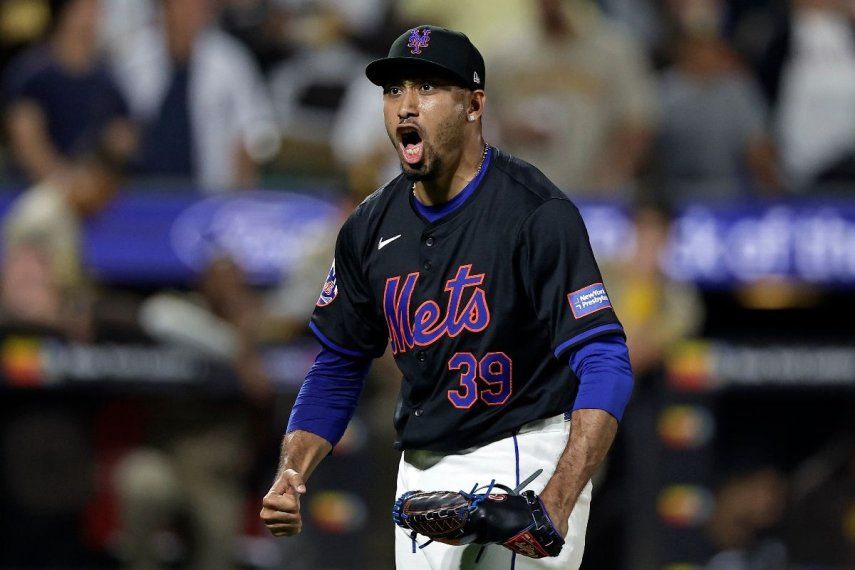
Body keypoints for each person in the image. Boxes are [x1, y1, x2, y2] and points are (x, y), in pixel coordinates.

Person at [259, 26, 634, 569]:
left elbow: (605, 359)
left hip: (527, 447)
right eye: (393, 91)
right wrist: (291, 474)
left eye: (428, 88)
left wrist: (559, 495)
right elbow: (339, 362)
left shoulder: (535, 212)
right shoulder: (368, 227)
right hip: (425, 469)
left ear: (474, 105)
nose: (406, 107)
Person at [1, 0, 135, 183]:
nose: (91, 18)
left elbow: (123, 134)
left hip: (93, 195)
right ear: (65, 11)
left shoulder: (108, 77)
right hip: (34, 194)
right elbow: (25, 137)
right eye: (85, 9)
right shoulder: (32, 73)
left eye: (96, 9)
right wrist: (66, 183)